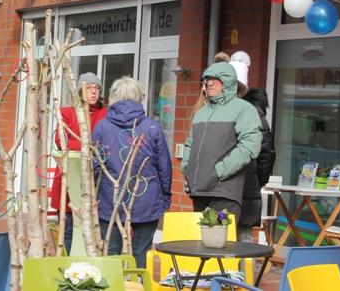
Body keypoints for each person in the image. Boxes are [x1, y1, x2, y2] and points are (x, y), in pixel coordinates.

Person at [92, 76, 172, 268]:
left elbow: (93, 167)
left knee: (111, 254)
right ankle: (138, 283)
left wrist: (91, 198)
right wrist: (165, 198)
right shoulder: (152, 127)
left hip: (111, 200)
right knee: (140, 254)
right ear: (138, 96)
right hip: (146, 201)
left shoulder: (102, 126)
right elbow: (164, 167)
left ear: (113, 96)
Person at [181, 61, 262, 225]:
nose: (210, 83)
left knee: (220, 240)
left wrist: (219, 171)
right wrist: (187, 168)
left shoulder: (244, 109)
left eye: (215, 79)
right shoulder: (201, 113)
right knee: (200, 240)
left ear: (228, 82)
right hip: (199, 191)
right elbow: (190, 144)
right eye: (208, 79)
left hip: (224, 192)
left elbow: (249, 146)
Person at [51, 72, 107, 255]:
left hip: (97, 181)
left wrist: (86, 145)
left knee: (96, 230)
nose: (94, 91)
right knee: (68, 229)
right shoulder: (67, 113)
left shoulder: (106, 114)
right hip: (69, 180)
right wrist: (90, 145)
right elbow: (62, 142)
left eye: (97, 88)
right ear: (80, 91)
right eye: (89, 88)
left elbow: (107, 144)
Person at [229, 51, 276, 242]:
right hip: (238, 186)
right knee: (239, 238)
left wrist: (258, 181)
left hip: (245, 185)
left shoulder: (252, 112)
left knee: (241, 240)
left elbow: (266, 152)